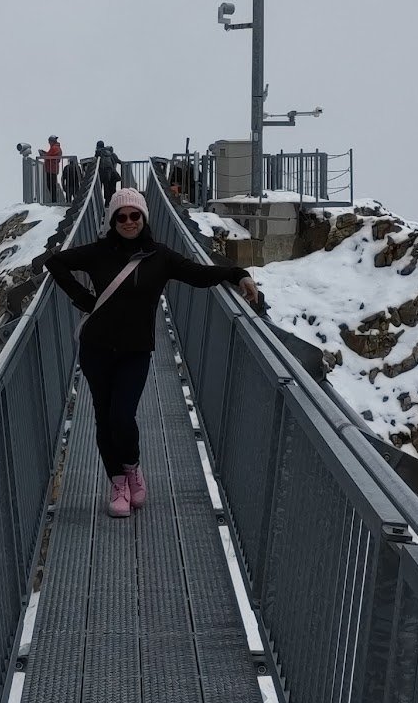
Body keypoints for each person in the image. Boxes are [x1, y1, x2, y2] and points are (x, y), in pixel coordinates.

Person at [39, 186, 258, 519]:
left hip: (135, 351)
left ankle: (132, 467)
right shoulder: (99, 252)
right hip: (96, 348)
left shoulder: (160, 256)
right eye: (121, 216)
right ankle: (117, 483)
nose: (128, 221)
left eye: (134, 215)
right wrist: (83, 299)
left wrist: (236, 274)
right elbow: (55, 263)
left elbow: (198, 275)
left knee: (121, 416)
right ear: (112, 220)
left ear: (144, 217)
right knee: (103, 416)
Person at [41, 135, 64, 205]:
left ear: (51, 141)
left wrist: (43, 154)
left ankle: (54, 201)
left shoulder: (55, 148)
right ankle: (54, 200)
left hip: (51, 169)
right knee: (51, 185)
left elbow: (49, 156)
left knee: (51, 185)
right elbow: (50, 155)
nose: (49, 143)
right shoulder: (56, 148)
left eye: (49, 141)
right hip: (52, 168)